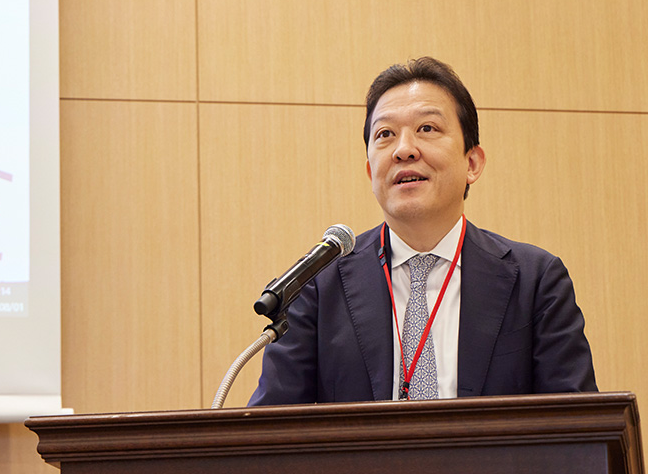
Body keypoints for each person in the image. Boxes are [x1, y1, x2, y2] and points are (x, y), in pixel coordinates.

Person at [248, 57, 596, 405]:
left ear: (472, 163)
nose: (404, 150)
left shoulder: (535, 281)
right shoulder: (318, 286)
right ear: (371, 172)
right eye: (385, 134)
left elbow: (575, 426)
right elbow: (271, 427)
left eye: (427, 128)